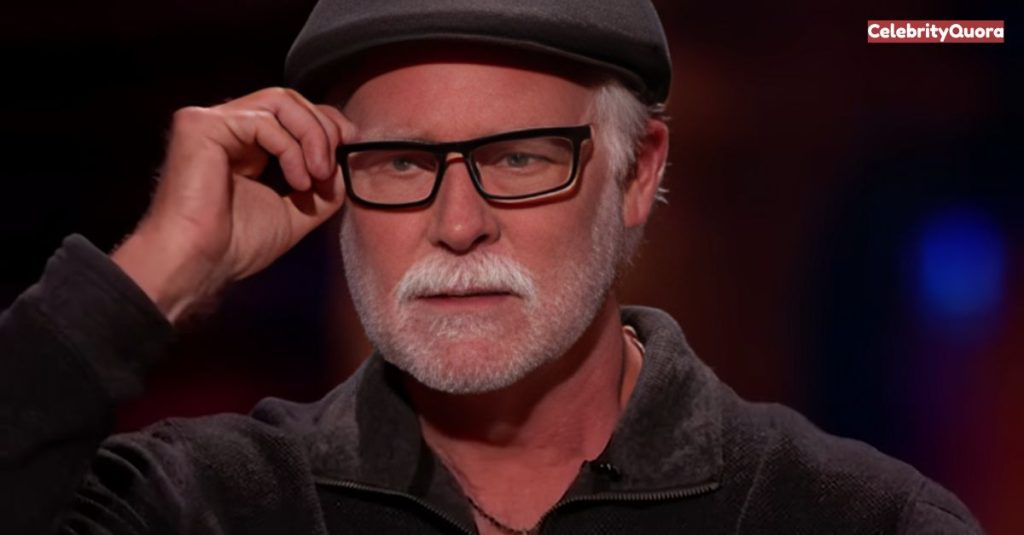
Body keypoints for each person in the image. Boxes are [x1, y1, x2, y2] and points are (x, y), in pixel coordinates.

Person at [0, 1, 984, 534]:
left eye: (518, 157)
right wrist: (155, 271)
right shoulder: (203, 500)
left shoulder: (852, 516)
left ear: (637, 173)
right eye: (399, 161)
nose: (457, 223)